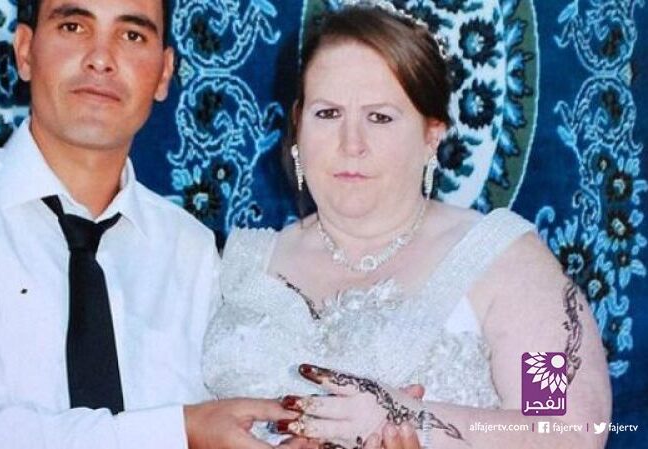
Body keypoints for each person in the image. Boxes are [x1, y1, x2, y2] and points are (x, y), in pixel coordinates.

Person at [0, 1, 296, 448]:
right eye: (73, 27)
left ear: (164, 73)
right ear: (24, 51)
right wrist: (181, 430)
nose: (101, 58)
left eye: (132, 35)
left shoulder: (190, 249)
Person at [201, 4, 611, 449]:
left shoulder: (504, 261)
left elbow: (567, 429)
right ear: (298, 125)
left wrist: (412, 419)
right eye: (328, 114)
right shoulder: (233, 263)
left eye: (380, 117)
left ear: (432, 134)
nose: (351, 144)